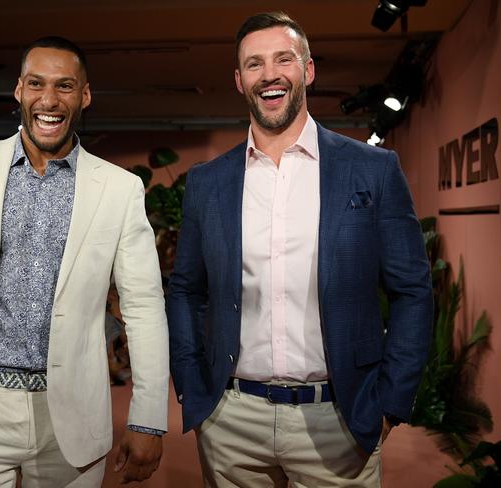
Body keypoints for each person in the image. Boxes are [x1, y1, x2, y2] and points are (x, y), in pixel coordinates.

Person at [167, 12, 433, 487]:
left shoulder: (373, 170)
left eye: (283, 59)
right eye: (254, 64)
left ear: (307, 70)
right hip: (232, 421)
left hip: (340, 418)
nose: (269, 74)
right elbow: (186, 290)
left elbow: (413, 290)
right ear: (239, 80)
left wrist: (391, 402)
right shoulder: (208, 183)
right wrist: (191, 384)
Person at [0, 36, 168, 487]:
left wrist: (147, 419)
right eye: (36, 84)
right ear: (19, 91)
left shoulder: (119, 189)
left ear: (84, 95)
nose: (49, 99)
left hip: (73, 412)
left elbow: (143, 305)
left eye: (65, 86)